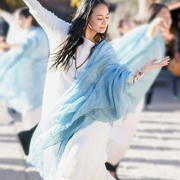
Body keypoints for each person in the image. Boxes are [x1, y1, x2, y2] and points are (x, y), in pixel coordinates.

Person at [22, 0, 169, 179]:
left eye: (107, 17)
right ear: (86, 18)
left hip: (92, 118)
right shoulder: (61, 32)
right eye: (99, 17)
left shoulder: (105, 51)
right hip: (62, 118)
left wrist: (141, 70)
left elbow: (120, 78)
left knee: (76, 162)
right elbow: (36, 9)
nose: (104, 22)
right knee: (69, 170)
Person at [106, 3, 172, 179]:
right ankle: (109, 169)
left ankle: (109, 169)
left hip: (127, 94)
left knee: (116, 136)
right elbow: (148, 35)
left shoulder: (155, 35)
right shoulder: (149, 32)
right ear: (153, 17)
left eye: (168, 15)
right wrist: (156, 23)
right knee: (120, 137)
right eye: (162, 15)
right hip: (124, 95)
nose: (167, 18)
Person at [0, 7, 49, 130]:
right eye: (17, 20)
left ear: (29, 18)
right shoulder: (35, 32)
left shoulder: (36, 34)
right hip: (32, 83)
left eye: (20, 20)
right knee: (32, 119)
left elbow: (23, 49)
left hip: (35, 83)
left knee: (33, 121)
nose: (18, 23)